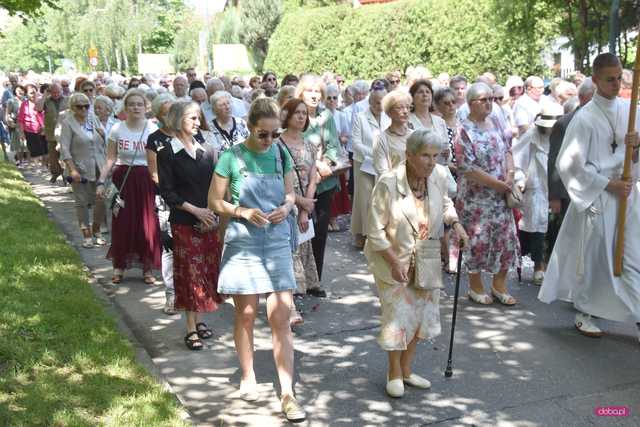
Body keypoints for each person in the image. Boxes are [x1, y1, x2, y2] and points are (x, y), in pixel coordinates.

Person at [209, 98, 306, 422]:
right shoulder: (231, 157)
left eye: (274, 134)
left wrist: (288, 205)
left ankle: (288, 392)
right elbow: (214, 201)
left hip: (276, 239)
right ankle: (248, 375)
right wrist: (242, 211)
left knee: (280, 317)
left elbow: (291, 193)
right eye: (263, 134)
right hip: (243, 242)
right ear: (250, 127)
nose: (269, 141)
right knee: (247, 314)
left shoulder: (280, 153)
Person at [539, 53, 640, 340]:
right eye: (610, 79)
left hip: (628, 196)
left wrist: (637, 146)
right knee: (597, 260)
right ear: (595, 80)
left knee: (633, 257)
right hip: (599, 198)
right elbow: (569, 164)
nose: (616, 83)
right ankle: (585, 312)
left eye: (620, 77)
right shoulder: (583, 119)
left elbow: (631, 157)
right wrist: (608, 184)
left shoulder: (631, 109)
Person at [365, 129, 468, 398]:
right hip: (393, 257)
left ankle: (407, 370)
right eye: (425, 155)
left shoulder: (440, 176)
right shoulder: (388, 183)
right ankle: (394, 372)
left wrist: (456, 224)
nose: (431, 162)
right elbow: (374, 230)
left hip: (427, 253)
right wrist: (392, 261)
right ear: (408, 155)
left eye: (436, 156)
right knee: (398, 316)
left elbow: (445, 204)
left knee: (420, 316)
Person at [157, 101, 222, 350]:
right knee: (189, 275)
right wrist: (197, 212)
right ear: (176, 120)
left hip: (209, 220)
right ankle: (190, 328)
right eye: (191, 118)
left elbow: (218, 185)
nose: (197, 122)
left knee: (205, 271)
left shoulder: (208, 148)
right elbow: (168, 192)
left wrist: (212, 215)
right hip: (184, 222)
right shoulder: (167, 152)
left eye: (198, 118)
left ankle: (200, 320)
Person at [455, 82, 520, 305]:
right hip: (477, 199)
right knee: (477, 240)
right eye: (484, 100)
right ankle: (475, 285)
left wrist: (510, 174)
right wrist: (497, 184)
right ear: (471, 103)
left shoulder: (496, 123)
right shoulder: (463, 129)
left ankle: (499, 285)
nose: (489, 104)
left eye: (491, 99)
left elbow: (509, 149)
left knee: (506, 238)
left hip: (501, 195)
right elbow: (467, 168)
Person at [96, 88, 161, 284]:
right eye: (131, 104)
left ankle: (147, 268)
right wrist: (101, 181)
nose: (135, 107)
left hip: (146, 180)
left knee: (147, 224)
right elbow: (110, 159)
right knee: (122, 223)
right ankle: (119, 266)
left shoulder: (152, 129)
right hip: (122, 179)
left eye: (139, 104)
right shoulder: (117, 129)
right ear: (125, 107)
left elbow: (159, 160)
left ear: (146, 107)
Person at [278, 98, 321, 325]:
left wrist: (306, 207)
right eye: (297, 112)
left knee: (300, 250)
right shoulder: (276, 144)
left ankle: (292, 300)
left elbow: (313, 177)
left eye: (305, 113)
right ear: (287, 115)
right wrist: (300, 202)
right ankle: (290, 308)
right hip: (285, 203)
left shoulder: (310, 144)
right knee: (287, 254)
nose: (302, 116)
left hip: (304, 205)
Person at [512, 102, 563, 285]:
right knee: (537, 231)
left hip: (558, 189)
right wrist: (519, 179)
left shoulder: (565, 136)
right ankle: (538, 267)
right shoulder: (531, 135)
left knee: (555, 229)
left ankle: (551, 267)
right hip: (536, 189)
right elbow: (517, 158)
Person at [297, 74, 341, 284]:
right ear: (301, 93)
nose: (314, 96)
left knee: (320, 233)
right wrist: (313, 164)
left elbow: (334, 147)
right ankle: (297, 281)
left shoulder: (326, 117)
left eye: (317, 92)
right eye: (309, 91)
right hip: (297, 183)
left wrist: (325, 163)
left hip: (323, 183)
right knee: (299, 233)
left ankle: (315, 281)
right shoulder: (294, 114)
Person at [547, 78, 595, 255]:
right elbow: (555, 162)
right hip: (568, 193)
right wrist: (555, 197)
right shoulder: (565, 123)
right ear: (583, 98)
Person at [59, 93, 107, 248]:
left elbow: (103, 143)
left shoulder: (93, 119)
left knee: (100, 201)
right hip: (79, 169)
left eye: (87, 105)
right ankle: (86, 235)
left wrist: (103, 134)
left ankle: (97, 230)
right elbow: (64, 148)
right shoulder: (68, 123)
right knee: (82, 203)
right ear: (72, 108)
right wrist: (72, 169)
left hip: (99, 167)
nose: (84, 109)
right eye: (80, 106)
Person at [146, 93, 177, 315]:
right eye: (166, 113)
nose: (171, 117)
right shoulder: (154, 139)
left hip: (192, 199)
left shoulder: (187, 135)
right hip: (166, 200)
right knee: (169, 247)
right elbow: (154, 173)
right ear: (158, 115)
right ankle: (172, 294)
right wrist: (174, 194)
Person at [351, 86, 389, 249]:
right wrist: (374, 153)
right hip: (363, 163)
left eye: (381, 102)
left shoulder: (388, 117)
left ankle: (380, 232)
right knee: (365, 199)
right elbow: (355, 142)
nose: (377, 105)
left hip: (384, 163)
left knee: (382, 199)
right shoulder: (360, 116)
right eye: (374, 102)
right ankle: (366, 235)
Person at [324, 83, 351, 232]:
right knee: (328, 188)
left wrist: (341, 138)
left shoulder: (341, 115)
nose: (332, 101)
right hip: (325, 156)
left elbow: (347, 135)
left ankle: (334, 219)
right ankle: (328, 218)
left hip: (338, 156)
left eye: (335, 98)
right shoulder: (321, 115)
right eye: (329, 98)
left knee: (338, 188)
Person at [373, 90, 413, 176]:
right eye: (399, 107)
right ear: (389, 112)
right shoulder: (381, 139)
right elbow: (383, 172)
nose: (405, 111)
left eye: (408, 107)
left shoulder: (415, 135)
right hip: (393, 186)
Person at [36, 83, 68, 183]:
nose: (56, 94)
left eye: (58, 92)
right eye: (53, 92)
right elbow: (39, 108)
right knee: (53, 156)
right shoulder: (46, 100)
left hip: (65, 132)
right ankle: (56, 172)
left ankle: (65, 175)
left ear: (61, 91)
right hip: (51, 132)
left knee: (65, 155)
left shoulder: (67, 99)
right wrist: (45, 95)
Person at [18, 83, 46, 166]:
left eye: (35, 92)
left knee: (44, 149)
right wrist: (21, 133)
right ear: (27, 94)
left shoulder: (42, 102)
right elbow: (21, 120)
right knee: (34, 150)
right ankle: (37, 167)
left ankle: (44, 166)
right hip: (30, 130)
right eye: (31, 93)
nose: (34, 94)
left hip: (43, 130)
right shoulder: (24, 105)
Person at [5, 85, 27, 165]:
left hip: (27, 124)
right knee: (19, 145)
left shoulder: (27, 100)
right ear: (15, 91)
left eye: (22, 90)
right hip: (17, 124)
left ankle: (27, 162)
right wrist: (10, 123)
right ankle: (20, 161)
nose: (20, 92)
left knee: (26, 145)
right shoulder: (11, 101)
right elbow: (7, 114)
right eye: (18, 90)